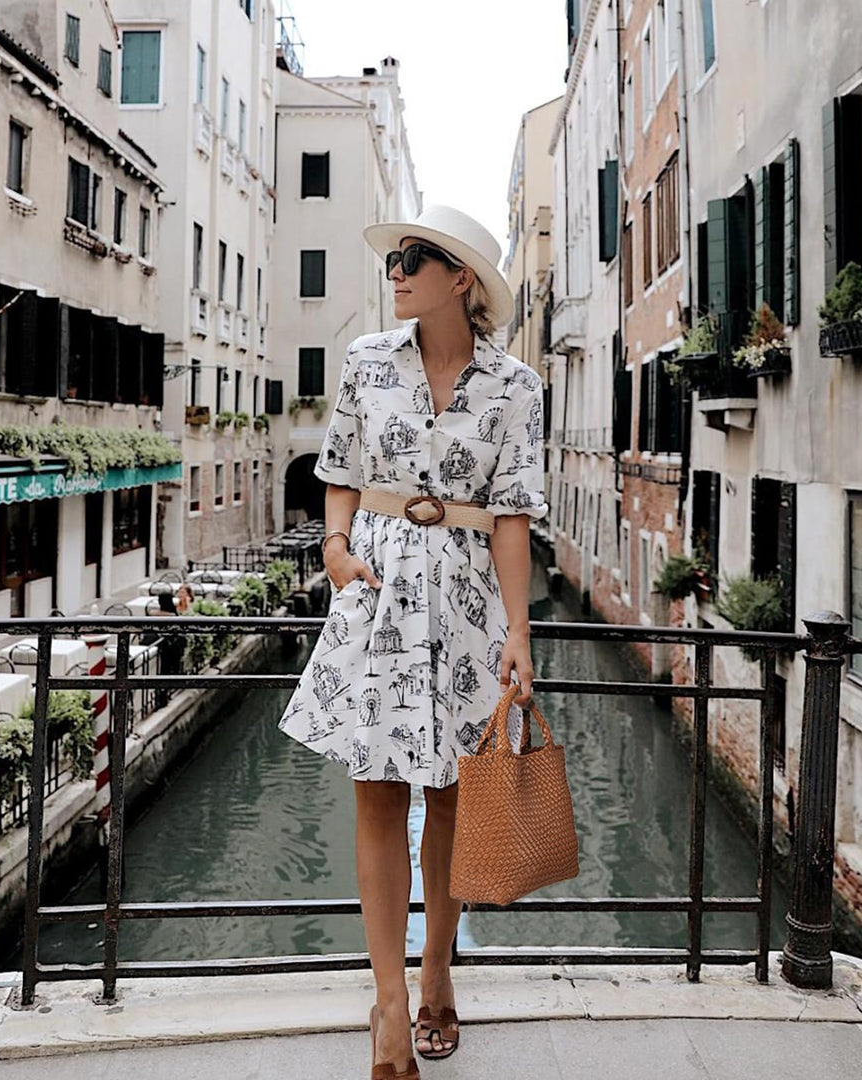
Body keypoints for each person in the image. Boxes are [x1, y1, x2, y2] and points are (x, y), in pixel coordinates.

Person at [278, 205, 547, 1078]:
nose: (395, 271)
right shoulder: (365, 361)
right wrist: (334, 548)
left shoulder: (515, 385)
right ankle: (389, 1001)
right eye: (393, 258)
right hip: (380, 588)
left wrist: (519, 630)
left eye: (414, 258)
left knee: (453, 795)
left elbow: (513, 516)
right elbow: (339, 472)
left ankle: (438, 966)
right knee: (378, 791)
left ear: (460, 279)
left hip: (467, 596)